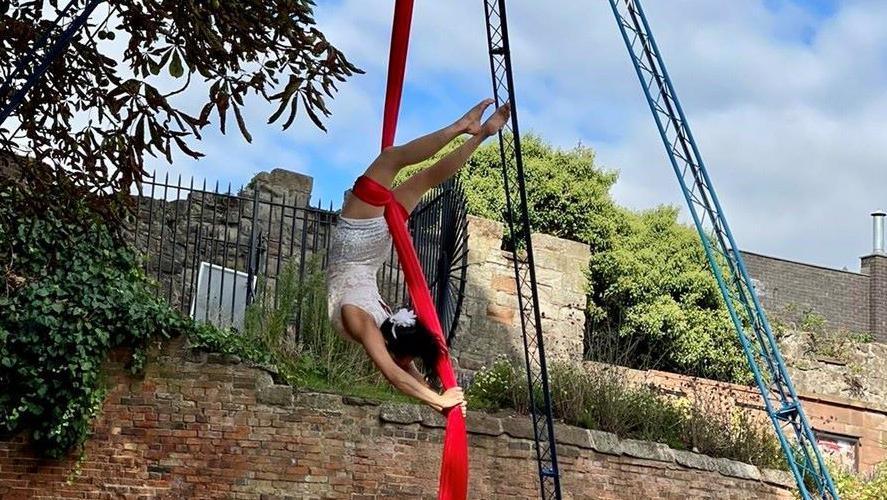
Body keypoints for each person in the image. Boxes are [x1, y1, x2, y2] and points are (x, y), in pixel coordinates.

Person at [326, 98, 510, 417]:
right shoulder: (388, 335)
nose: (408, 364)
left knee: (393, 159)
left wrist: (437, 400)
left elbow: (395, 375)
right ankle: (479, 134)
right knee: (420, 177)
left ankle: (464, 128)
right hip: (369, 247)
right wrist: (437, 398)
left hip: (359, 241)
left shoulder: (362, 321)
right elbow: (402, 369)